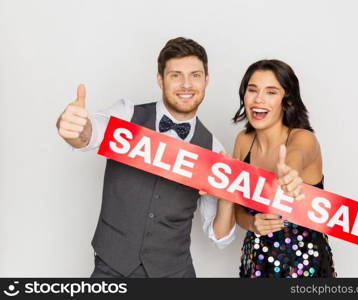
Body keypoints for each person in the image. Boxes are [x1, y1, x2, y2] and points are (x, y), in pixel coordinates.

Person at [56, 37, 236, 278]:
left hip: (175, 273)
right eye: (175, 75)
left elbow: (220, 237)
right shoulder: (127, 114)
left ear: (206, 80)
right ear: (160, 79)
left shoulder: (213, 150)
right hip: (112, 268)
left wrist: (226, 197)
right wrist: (73, 128)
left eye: (195, 75)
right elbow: (90, 134)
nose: (186, 84)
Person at [232, 59, 336, 278]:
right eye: (252, 90)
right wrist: (252, 223)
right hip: (255, 265)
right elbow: (237, 210)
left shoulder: (304, 138)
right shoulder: (243, 141)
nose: (258, 99)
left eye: (271, 92)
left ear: (287, 101)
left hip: (305, 268)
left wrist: (290, 172)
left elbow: (296, 155)